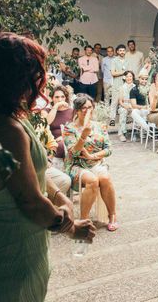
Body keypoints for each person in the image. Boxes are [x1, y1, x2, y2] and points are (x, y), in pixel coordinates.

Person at [0, 33, 96, 301]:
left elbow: (31, 169)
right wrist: (73, 229)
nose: (43, 81)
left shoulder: (15, 115)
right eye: (38, 74)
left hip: (25, 247)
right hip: (12, 254)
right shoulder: (7, 130)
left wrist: (59, 195)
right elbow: (29, 201)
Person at [63, 94, 119, 231]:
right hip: (76, 165)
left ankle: (112, 215)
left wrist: (92, 156)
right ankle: (84, 220)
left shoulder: (100, 126)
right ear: (76, 110)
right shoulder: (69, 129)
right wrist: (83, 135)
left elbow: (108, 149)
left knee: (105, 178)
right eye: (83, 108)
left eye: (89, 107)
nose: (87, 111)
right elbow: (73, 153)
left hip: (96, 163)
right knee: (93, 180)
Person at [109, 44, 128, 127]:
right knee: (114, 103)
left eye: (123, 50)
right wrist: (123, 73)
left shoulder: (128, 61)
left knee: (124, 103)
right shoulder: (114, 60)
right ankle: (112, 119)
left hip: (126, 85)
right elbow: (113, 73)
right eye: (120, 50)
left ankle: (123, 119)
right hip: (117, 85)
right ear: (117, 51)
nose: (122, 52)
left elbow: (129, 73)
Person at [116, 70, 136, 142]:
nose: (129, 78)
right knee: (123, 111)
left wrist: (133, 105)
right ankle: (121, 133)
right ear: (124, 78)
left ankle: (138, 132)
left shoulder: (135, 87)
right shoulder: (122, 87)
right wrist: (125, 106)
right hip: (124, 104)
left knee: (138, 111)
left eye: (130, 76)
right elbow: (120, 101)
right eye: (127, 76)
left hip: (134, 105)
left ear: (133, 77)